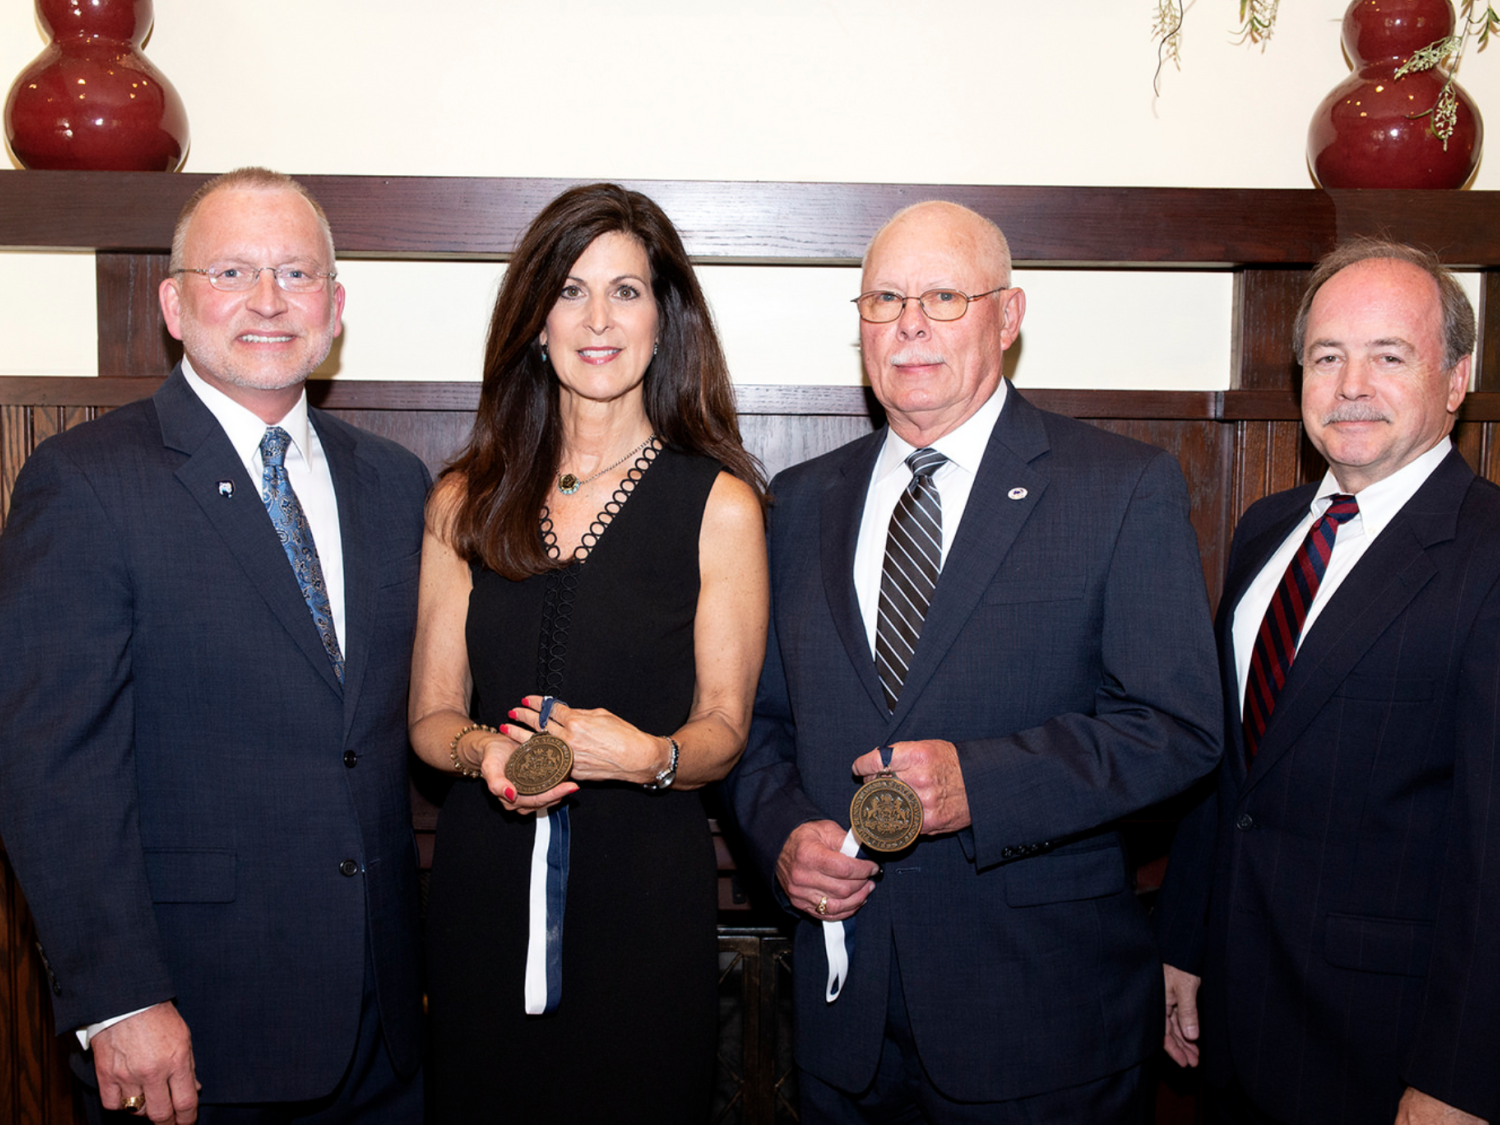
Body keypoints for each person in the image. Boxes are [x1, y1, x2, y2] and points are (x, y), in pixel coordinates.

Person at [721, 199, 1222, 1123]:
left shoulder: (1119, 486)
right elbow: (757, 727)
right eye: (884, 299)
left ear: (1009, 314)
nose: (909, 324)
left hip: (1041, 1024)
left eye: (944, 296)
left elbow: (1177, 727)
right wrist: (784, 833)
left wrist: (981, 785)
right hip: (845, 1028)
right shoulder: (798, 501)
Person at [0, 168, 429, 1123]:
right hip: (191, 1025)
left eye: (297, 273)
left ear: (336, 304)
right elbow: (48, 769)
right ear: (174, 303)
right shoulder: (85, 481)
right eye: (232, 271)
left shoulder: (397, 487)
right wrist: (118, 998)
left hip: (384, 1028)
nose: (270, 302)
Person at [409, 182, 769, 1124]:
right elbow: (429, 716)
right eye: (571, 291)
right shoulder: (462, 498)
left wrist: (648, 756)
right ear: (535, 320)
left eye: (627, 291)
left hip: (644, 891)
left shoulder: (720, 503)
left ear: (665, 318)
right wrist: (482, 751)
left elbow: (726, 727)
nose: (598, 319)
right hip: (483, 888)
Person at [1154, 239, 1500, 1125]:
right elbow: (1225, 767)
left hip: (1388, 1047)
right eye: (1327, 356)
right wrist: (1188, 942)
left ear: (1456, 379)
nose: (1352, 383)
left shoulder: (1489, 552)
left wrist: (1463, 1075)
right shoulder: (1267, 528)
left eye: (1391, 355)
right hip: (1236, 1009)